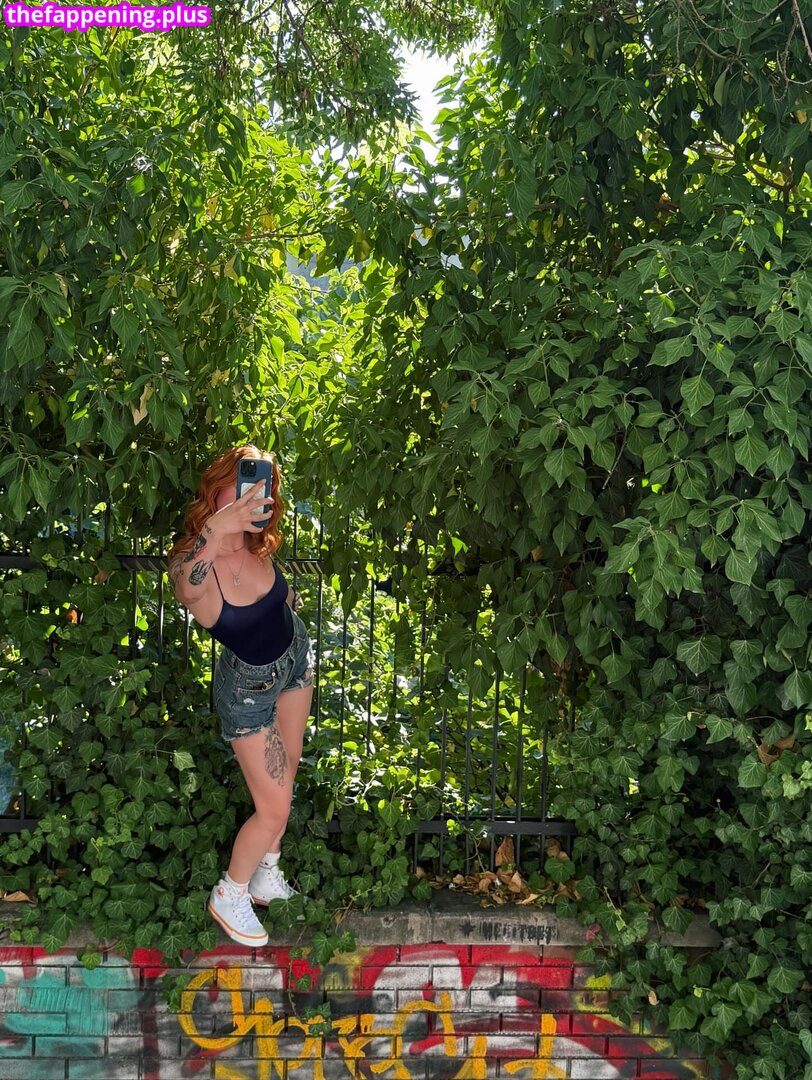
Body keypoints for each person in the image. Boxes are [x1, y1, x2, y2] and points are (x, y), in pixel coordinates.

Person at [166, 445, 315, 947]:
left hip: (295, 663)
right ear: (216, 489)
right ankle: (230, 893)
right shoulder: (194, 560)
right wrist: (216, 531)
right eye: (245, 482)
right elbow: (187, 590)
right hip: (249, 689)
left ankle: (266, 873)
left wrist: (290, 603)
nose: (256, 494)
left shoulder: (256, 545)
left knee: (287, 773)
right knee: (274, 808)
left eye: (264, 484)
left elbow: (279, 595)